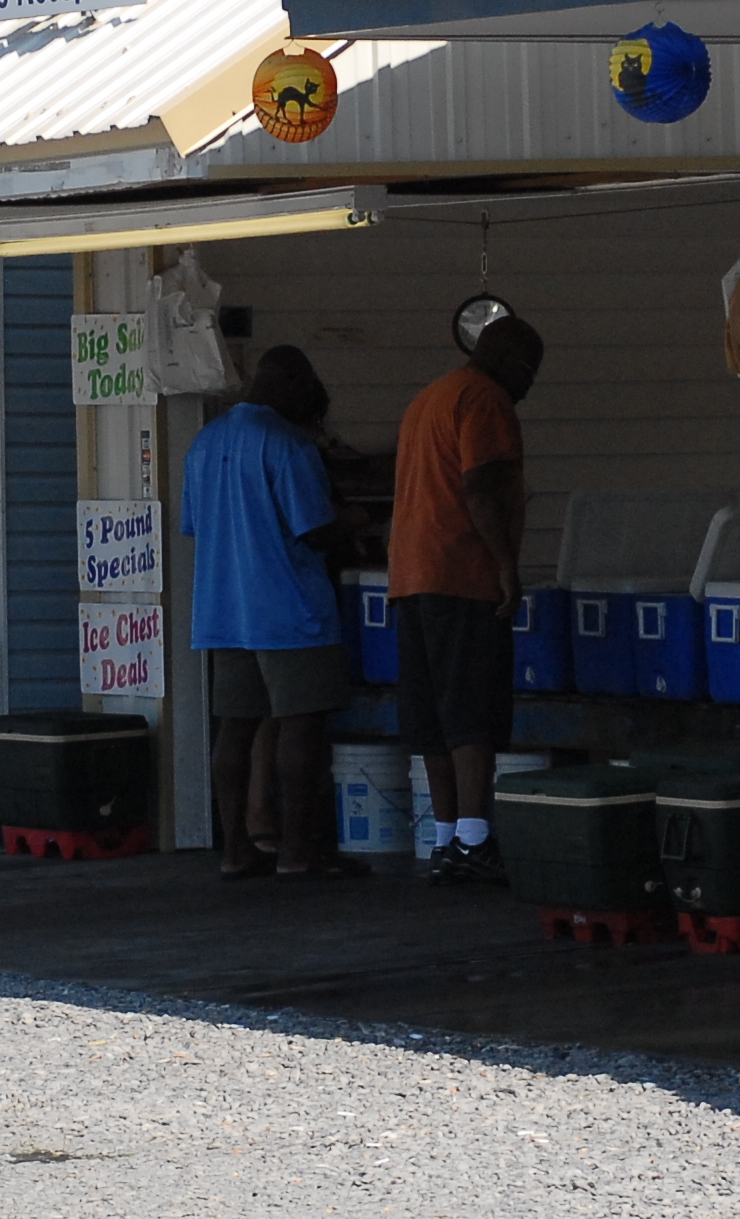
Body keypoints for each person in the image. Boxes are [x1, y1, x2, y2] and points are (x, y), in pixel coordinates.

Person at [184, 345, 356, 878]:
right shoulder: (288, 445)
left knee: (234, 728)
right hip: (290, 609)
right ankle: (299, 853)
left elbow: (195, 526)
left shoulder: (203, 444)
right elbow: (315, 529)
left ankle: (236, 851)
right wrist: (350, 521)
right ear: (292, 389)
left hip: (223, 607)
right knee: (301, 727)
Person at [392, 305, 546, 883]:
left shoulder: (429, 397)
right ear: (509, 361)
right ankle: (476, 837)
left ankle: (446, 837)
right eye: (530, 371)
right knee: (472, 710)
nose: (529, 386)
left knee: (432, 714)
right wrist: (506, 565)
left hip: (410, 575)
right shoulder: (485, 399)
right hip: (460, 572)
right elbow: (479, 486)